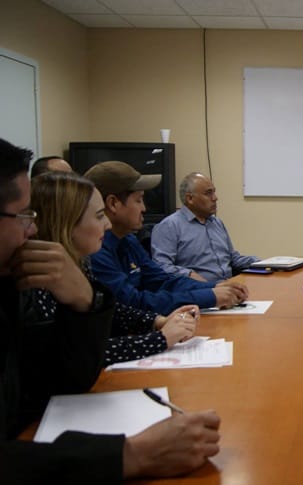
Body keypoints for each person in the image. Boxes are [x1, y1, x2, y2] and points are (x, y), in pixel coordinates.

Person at [0, 138, 220, 481]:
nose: (33, 229)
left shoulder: (70, 266)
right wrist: (129, 454)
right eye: (24, 216)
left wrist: (91, 303)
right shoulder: (33, 284)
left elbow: (68, 372)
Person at [30, 171, 200, 366]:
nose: (107, 224)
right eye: (99, 216)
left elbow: (111, 310)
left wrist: (157, 321)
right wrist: (159, 339)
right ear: (67, 223)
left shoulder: (80, 262)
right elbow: (74, 354)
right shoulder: (38, 281)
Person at [84, 161, 248, 314]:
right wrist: (209, 296)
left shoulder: (128, 240)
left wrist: (214, 287)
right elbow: (132, 302)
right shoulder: (95, 249)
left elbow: (162, 281)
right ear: (113, 203)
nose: (144, 208)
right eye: (138, 200)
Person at [151, 172, 258, 282]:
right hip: (199, 289)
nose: (215, 198)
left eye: (214, 192)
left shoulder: (217, 223)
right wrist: (189, 274)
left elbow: (233, 259)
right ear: (190, 198)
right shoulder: (169, 226)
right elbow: (161, 267)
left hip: (229, 285)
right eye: (208, 193)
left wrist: (261, 262)